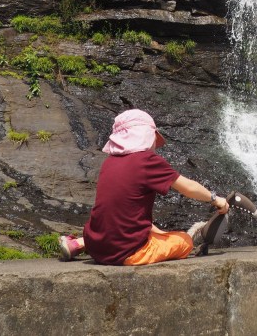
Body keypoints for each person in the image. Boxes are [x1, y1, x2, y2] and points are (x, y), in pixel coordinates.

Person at [58, 108, 229, 265]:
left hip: (96, 246)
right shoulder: (146, 160)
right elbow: (188, 187)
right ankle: (88, 245)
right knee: (184, 241)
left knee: (154, 234)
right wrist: (215, 199)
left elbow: (125, 213)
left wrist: (160, 234)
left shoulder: (109, 163)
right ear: (146, 135)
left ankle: (79, 243)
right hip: (126, 252)